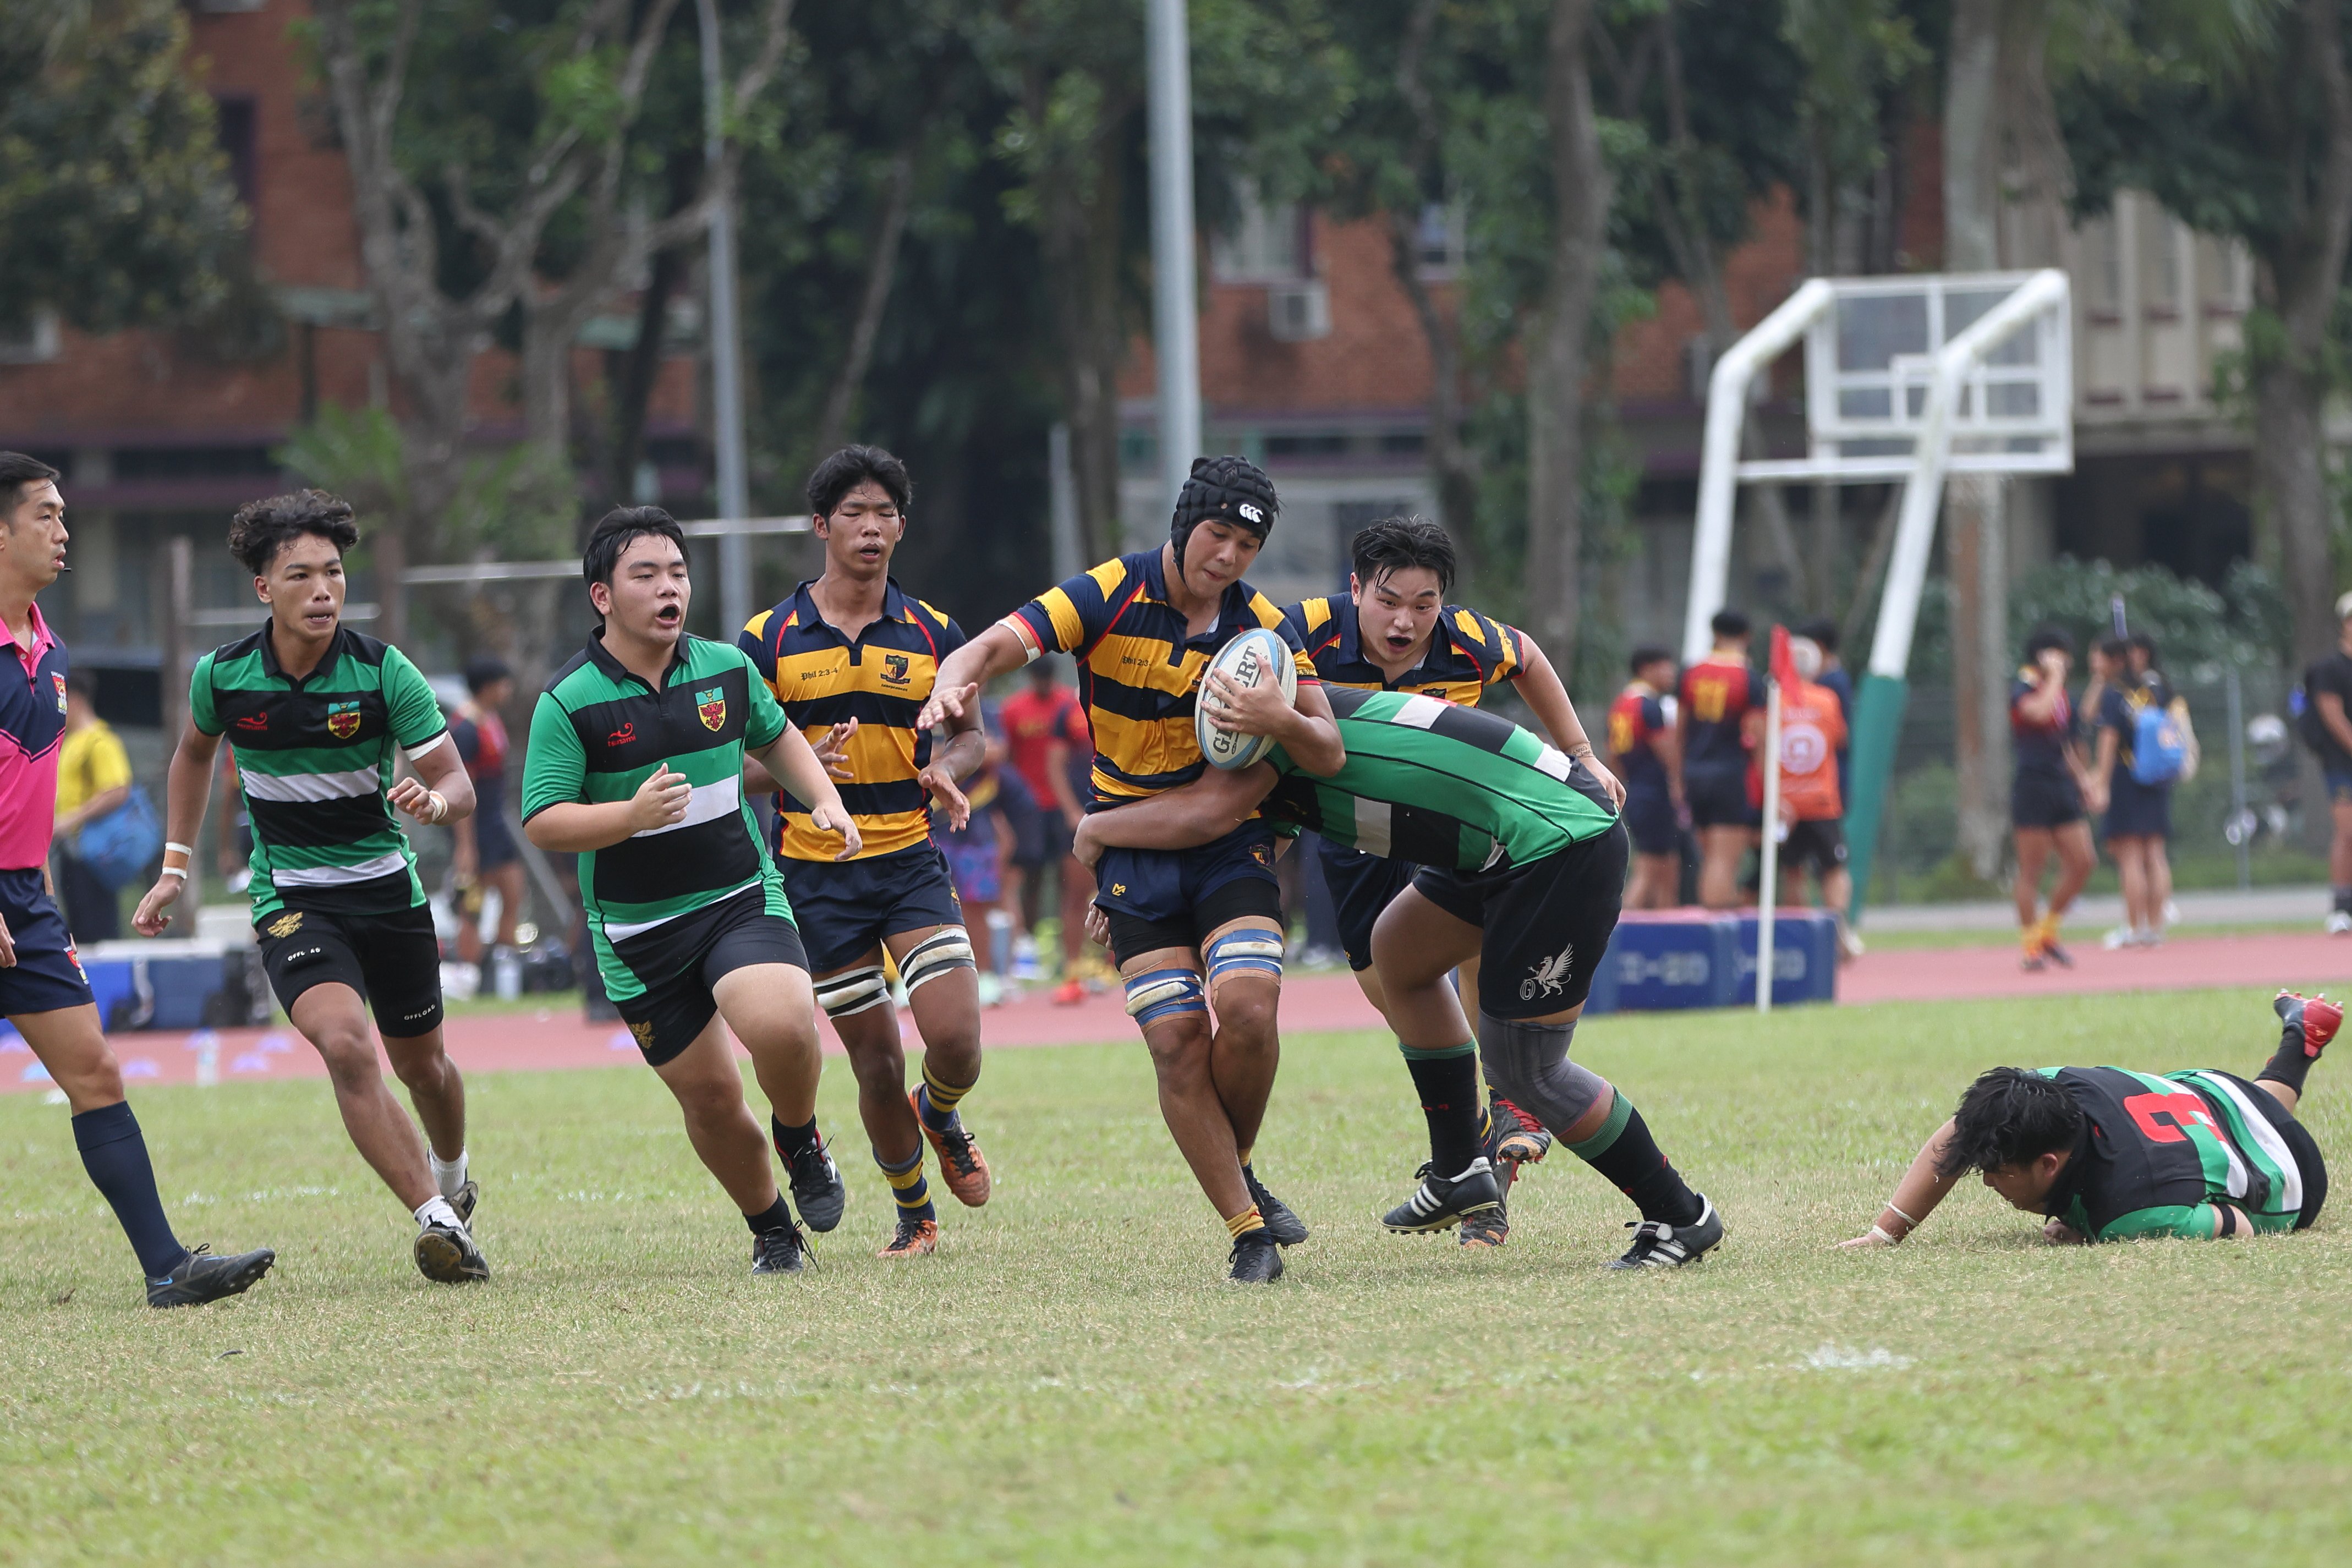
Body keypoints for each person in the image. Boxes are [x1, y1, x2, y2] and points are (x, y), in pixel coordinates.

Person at [1072, 684, 1723, 1270]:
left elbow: (1203, 817)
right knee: (1399, 952)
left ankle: (1681, 1215)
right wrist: (1125, 891)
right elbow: (1228, 833)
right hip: (1495, 844)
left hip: (1559, 841)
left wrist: (1097, 829)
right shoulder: (1272, 719)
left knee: (1528, 1069)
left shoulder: (1267, 719)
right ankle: (1458, 1169)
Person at [917, 454, 1345, 1284]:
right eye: (1217, 533)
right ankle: (1247, 1228)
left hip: (1228, 845)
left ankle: (1236, 1157)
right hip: (1136, 856)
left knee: (1250, 1007)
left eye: (1246, 544)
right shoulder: (1108, 591)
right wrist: (950, 682)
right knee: (1177, 1039)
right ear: (1185, 522)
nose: (1227, 555)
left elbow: (1325, 748)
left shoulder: (1261, 628)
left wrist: (1277, 714)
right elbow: (998, 642)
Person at [134, 490, 489, 1285]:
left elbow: (456, 783)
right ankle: (434, 1217)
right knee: (343, 1043)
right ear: (264, 587)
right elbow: (193, 756)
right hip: (293, 900)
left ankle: (456, 1173)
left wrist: (432, 803)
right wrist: (175, 866)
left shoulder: (381, 669)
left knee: (424, 1068)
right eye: (301, 575)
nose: (324, 589)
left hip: (388, 894)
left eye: (333, 572)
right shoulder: (223, 676)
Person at [527, 506, 857, 1276]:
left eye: (677, 571)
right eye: (645, 574)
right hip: (637, 936)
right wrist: (629, 815)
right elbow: (543, 820)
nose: (668, 587)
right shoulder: (567, 701)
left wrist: (823, 799)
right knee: (709, 1098)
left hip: (737, 895)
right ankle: (772, 1229)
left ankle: (800, 1133)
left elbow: (776, 738)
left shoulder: (725, 668)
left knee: (780, 1023)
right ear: (602, 595)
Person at [0, 452, 274, 1309]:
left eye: (64, 513)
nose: (63, 529)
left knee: (96, 1076)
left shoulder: (48, 647)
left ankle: (167, 1269)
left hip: (23, 900)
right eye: (45, 513)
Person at [1281, 516, 1581, 1243]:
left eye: (1423, 603)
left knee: (1479, 932)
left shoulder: (1468, 640)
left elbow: (1530, 657)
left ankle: (1510, 1095)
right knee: (1409, 1012)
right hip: (1354, 841)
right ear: (1355, 589)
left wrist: (1579, 751)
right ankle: (1478, 1166)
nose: (1404, 621)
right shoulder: (1299, 632)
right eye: (1388, 601)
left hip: (1450, 831)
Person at [739, 447, 993, 1262]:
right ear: (821, 525)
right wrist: (802, 759)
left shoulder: (933, 633)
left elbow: (972, 737)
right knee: (877, 1065)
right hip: (815, 878)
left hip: (909, 863)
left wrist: (945, 771)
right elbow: (731, 765)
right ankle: (914, 1214)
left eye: (885, 513)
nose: (872, 527)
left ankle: (943, 1112)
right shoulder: (765, 638)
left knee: (954, 1040)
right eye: (854, 512)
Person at [1843, 991, 2335, 1248]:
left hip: (2289, 1168)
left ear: (2050, 1164)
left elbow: (2240, 1226)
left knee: (2258, 1124)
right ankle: (2302, 1037)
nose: (1987, 1181)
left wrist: (2095, 1233)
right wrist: (1885, 1233)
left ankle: (2301, 1039)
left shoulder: (2135, 1212)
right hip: (2209, 1093)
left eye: (1997, 1172)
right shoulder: (2055, 1085)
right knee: (2249, 1105)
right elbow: (1959, 1129)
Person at [999, 656, 1097, 999]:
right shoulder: (1017, 710)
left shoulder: (1072, 704)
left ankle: (1089, 964)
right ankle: (1033, 947)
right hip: (1035, 807)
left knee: (1079, 884)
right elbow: (1014, 757)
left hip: (1083, 809)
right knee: (1031, 878)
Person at [2009, 626, 2096, 971]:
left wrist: (2084, 782)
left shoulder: (2061, 694)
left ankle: (2049, 931)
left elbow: (2066, 742)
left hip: (2060, 785)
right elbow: (2038, 713)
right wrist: (2055, 678)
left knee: (2083, 862)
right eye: (2061, 655)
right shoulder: (2025, 686)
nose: (2067, 663)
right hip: (2032, 786)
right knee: (2032, 869)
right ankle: (2030, 945)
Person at [2092, 633, 2181, 949]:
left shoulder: (2115, 694)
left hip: (2126, 777)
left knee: (2131, 857)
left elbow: (2108, 740)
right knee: (2155, 854)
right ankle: (2155, 928)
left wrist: (2100, 783)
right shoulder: (2159, 690)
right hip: (2156, 778)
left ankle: (2133, 927)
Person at [1771, 637, 1858, 957]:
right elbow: (1839, 738)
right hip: (1822, 801)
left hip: (1785, 804)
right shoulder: (1828, 700)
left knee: (1793, 870)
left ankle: (1805, 939)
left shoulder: (1773, 702)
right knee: (1834, 869)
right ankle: (1837, 931)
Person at [1675, 610, 1759, 909]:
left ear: (1715, 634)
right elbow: (1759, 737)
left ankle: (1709, 927)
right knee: (1724, 862)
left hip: (1695, 776)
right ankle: (1716, 937)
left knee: (1711, 860)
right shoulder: (1747, 677)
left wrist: (1677, 781)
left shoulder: (1690, 672)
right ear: (1747, 637)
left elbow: (1679, 732)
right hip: (1730, 775)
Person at [449, 656, 524, 966]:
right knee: (473, 900)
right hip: (476, 823)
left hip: (496, 819)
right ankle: (472, 966)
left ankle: (502, 957)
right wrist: (465, 846)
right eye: (502, 684)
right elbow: (464, 789)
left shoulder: (490, 719)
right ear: (488, 687)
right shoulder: (465, 728)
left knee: (513, 888)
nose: (507, 690)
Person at [53, 668, 133, 942]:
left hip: (95, 853)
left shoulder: (101, 740)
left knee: (98, 930)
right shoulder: (70, 742)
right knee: (77, 929)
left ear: (74, 699)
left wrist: (72, 818)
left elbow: (118, 790)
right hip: (71, 853)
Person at [1609, 647, 1680, 911]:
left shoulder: (1621, 704)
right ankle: (1621, 929)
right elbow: (1666, 751)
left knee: (1665, 866)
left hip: (1636, 790)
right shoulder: (1649, 706)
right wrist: (1679, 783)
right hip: (1655, 792)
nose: (1671, 673)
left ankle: (1663, 928)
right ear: (1647, 669)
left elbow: (1613, 755)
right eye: (1665, 666)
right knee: (1650, 867)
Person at [2299, 591, 2352, 934]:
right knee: (2348, 833)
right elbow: (2335, 719)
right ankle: (2341, 907)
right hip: (2341, 764)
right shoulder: (2329, 670)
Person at [1796, 618, 1852, 810]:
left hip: (1827, 778)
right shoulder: (1826, 680)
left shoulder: (1832, 683)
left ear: (1818, 646)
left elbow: (1840, 735)